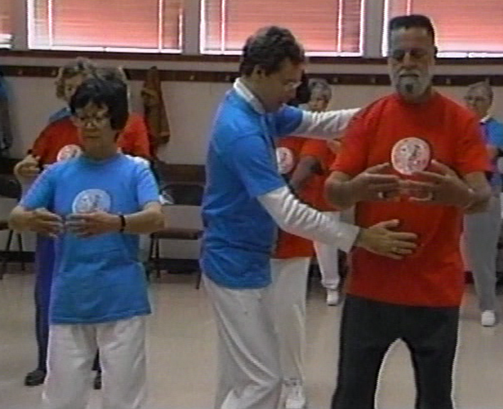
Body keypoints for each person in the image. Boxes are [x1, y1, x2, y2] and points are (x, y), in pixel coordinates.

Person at [201, 26, 419, 409]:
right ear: (259, 73)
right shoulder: (241, 130)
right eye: (287, 83)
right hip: (233, 265)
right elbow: (287, 212)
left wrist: (382, 111)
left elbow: (316, 123)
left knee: (239, 378)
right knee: (262, 382)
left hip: (245, 259)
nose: (294, 92)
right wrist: (359, 237)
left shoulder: (257, 108)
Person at [325, 15, 491, 409]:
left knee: (435, 399)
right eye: (398, 55)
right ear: (388, 61)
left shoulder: (461, 122)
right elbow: (334, 193)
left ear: (434, 58)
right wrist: (353, 189)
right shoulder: (369, 119)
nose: (407, 63)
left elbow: (482, 195)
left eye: (416, 54)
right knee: (351, 395)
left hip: (435, 290)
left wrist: (458, 195)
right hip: (370, 287)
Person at [9, 76, 164, 409]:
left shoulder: (136, 170)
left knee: (124, 395)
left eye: (99, 117)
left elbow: (155, 217)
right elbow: (16, 215)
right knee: (61, 397)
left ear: (117, 122)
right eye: (83, 117)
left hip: (122, 299)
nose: (90, 125)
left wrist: (118, 223)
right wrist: (30, 219)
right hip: (70, 298)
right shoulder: (58, 173)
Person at [15, 58, 97, 387]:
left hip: (91, 221)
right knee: (47, 293)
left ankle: (100, 362)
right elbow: (32, 159)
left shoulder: (105, 125)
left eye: (82, 86)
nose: (75, 93)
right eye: (70, 88)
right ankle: (45, 362)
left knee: (95, 293)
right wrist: (25, 167)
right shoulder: (55, 126)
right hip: (53, 223)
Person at [288, 78, 345, 306]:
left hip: (324, 196)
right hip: (301, 196)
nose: (317, 104)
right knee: (297, 244)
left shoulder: (332, 128)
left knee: (326, 245)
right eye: (313, 100)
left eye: (321, 100)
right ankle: (298, 286)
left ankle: (331, 285)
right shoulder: (298, 127)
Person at [463, 81, 503, 326]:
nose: (472, 104)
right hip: (455, 189)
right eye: (469, 99)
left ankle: (487, 304)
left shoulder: (495, 128)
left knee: (482, 254)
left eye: (478, 100)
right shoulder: (459, 126)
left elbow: (487, 155)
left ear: (489, 102)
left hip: (485, 192)